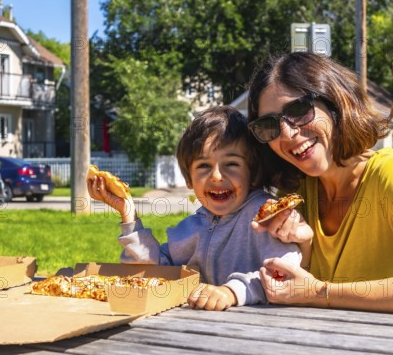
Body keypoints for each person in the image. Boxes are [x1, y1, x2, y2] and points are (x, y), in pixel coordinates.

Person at [246, 51, 393, 314]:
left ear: (335, 103)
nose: (288, 133)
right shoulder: (294, 192)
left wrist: (321, 293)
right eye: (268, 125)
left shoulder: (391, 175)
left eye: (298, 109)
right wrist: (302, 248)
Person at [88, 105, 312, 311]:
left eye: (231, 164)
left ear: (252, 173)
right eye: (204, 166)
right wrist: (129, 216)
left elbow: (285, 271)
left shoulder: (265, 216)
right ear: (189, 180)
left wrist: (231, 291)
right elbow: (157, 271)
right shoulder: (192, 227)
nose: (216, 176)